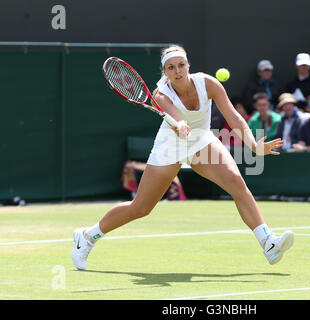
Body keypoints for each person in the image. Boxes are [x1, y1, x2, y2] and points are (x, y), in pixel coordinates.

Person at [71, 46, 293, 270]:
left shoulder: (209, 83)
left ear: (188, 66)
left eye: (181, 65)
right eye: (171, 67)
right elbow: (177, 119)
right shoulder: (161, 95)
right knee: (141, 208)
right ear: (165, 72)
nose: (177, 71)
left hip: (201, 140)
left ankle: (268, 242)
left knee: (236, 183)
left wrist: (254, 145)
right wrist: (180, 125)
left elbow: (233, 116)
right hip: (171, 145)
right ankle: (87, 236)